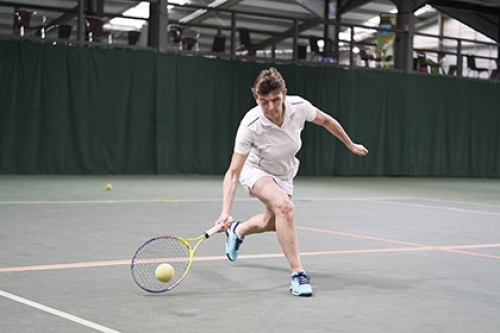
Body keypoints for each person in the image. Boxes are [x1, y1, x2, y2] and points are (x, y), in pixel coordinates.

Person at [215, 67, 369, 297]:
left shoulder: (299, 107)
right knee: (285, 207)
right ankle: (298, 273)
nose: (270, 107)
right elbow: (234, 172)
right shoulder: (250, 124)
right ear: (255, 98)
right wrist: (225, 211)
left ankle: (238, 230)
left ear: (284, 94)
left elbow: (327, 121)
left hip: (284, 172)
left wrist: (350, 144)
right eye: (263, 101)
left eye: (275, 100)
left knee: (271, 221)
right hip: (256, 169)